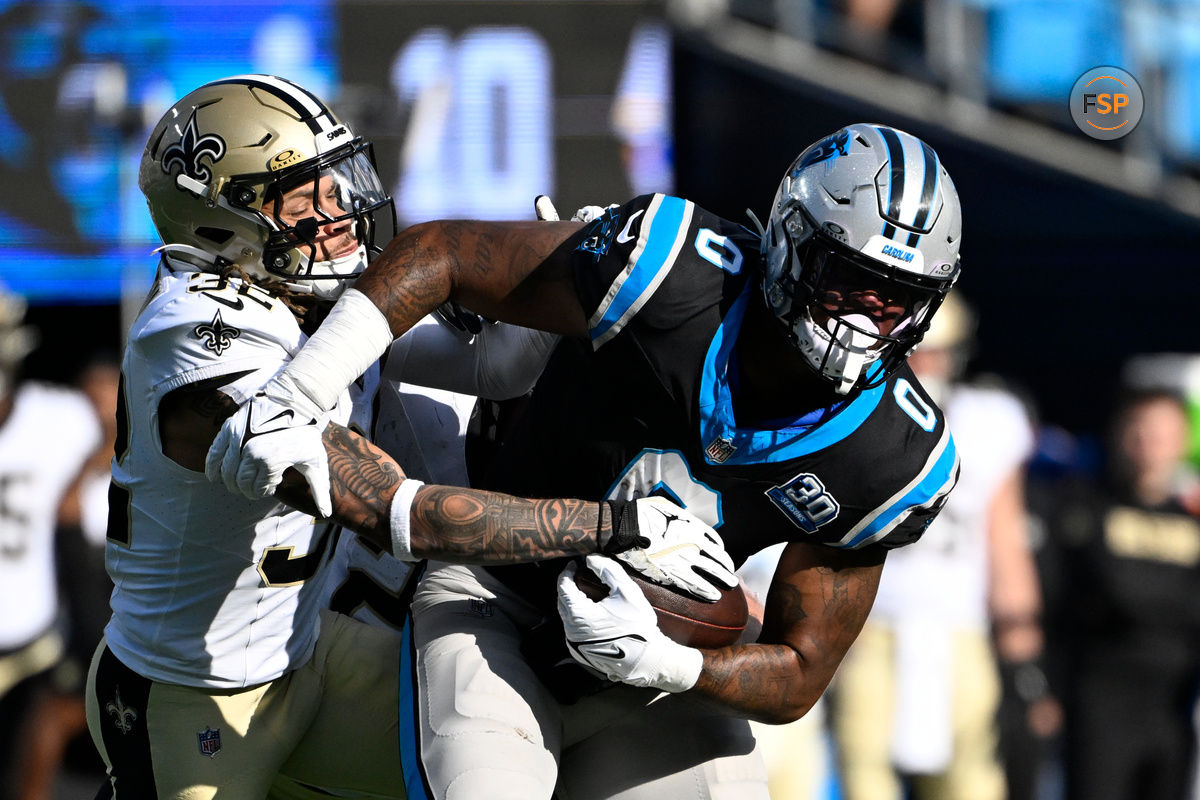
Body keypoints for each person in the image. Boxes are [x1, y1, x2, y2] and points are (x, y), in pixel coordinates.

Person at [209, 122, 965, 799]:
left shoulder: (892, 457)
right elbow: (441, 253)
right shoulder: (673, 271)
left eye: (895, 300)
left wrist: (674, 668)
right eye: (848, 283)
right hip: (495, 594)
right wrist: (300, 389)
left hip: (657, 654)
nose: (864, 320)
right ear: (792, 242)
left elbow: (800, 672)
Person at [86, 74, 735, 800]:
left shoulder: (305, 289)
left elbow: (494, 364)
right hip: (190, 692)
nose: (337, 213)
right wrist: (617, 526)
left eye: (336, 184)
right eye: (303, 196)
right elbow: (404, 512)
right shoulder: (195, 335)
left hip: (308, 653)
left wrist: (575, 278)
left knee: (513, 725)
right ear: (219, 223)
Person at [826, 292, 1056, 800]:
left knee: (969, 775)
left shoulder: (990, 418)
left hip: (959, 624)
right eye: (915, 351)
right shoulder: (859, 412)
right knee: (863, 766)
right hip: (871, 621)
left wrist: (1023, 655)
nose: (924, 363)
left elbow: (1005, 539)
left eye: (935, 352)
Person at [1038, 388, 1200, 800]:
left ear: (1182, 439)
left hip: (1172, 705)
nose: (1148, 443)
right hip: (1100, 700)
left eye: (1161, 432)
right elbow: (1067, 600)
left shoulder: (1190, 520)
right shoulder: (1083, 507)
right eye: (1138, 429)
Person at [0, 288, 103, 800]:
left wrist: (79, 478)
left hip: (38, 639)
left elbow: (114, 416)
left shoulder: (58, 417)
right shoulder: (57, 416)